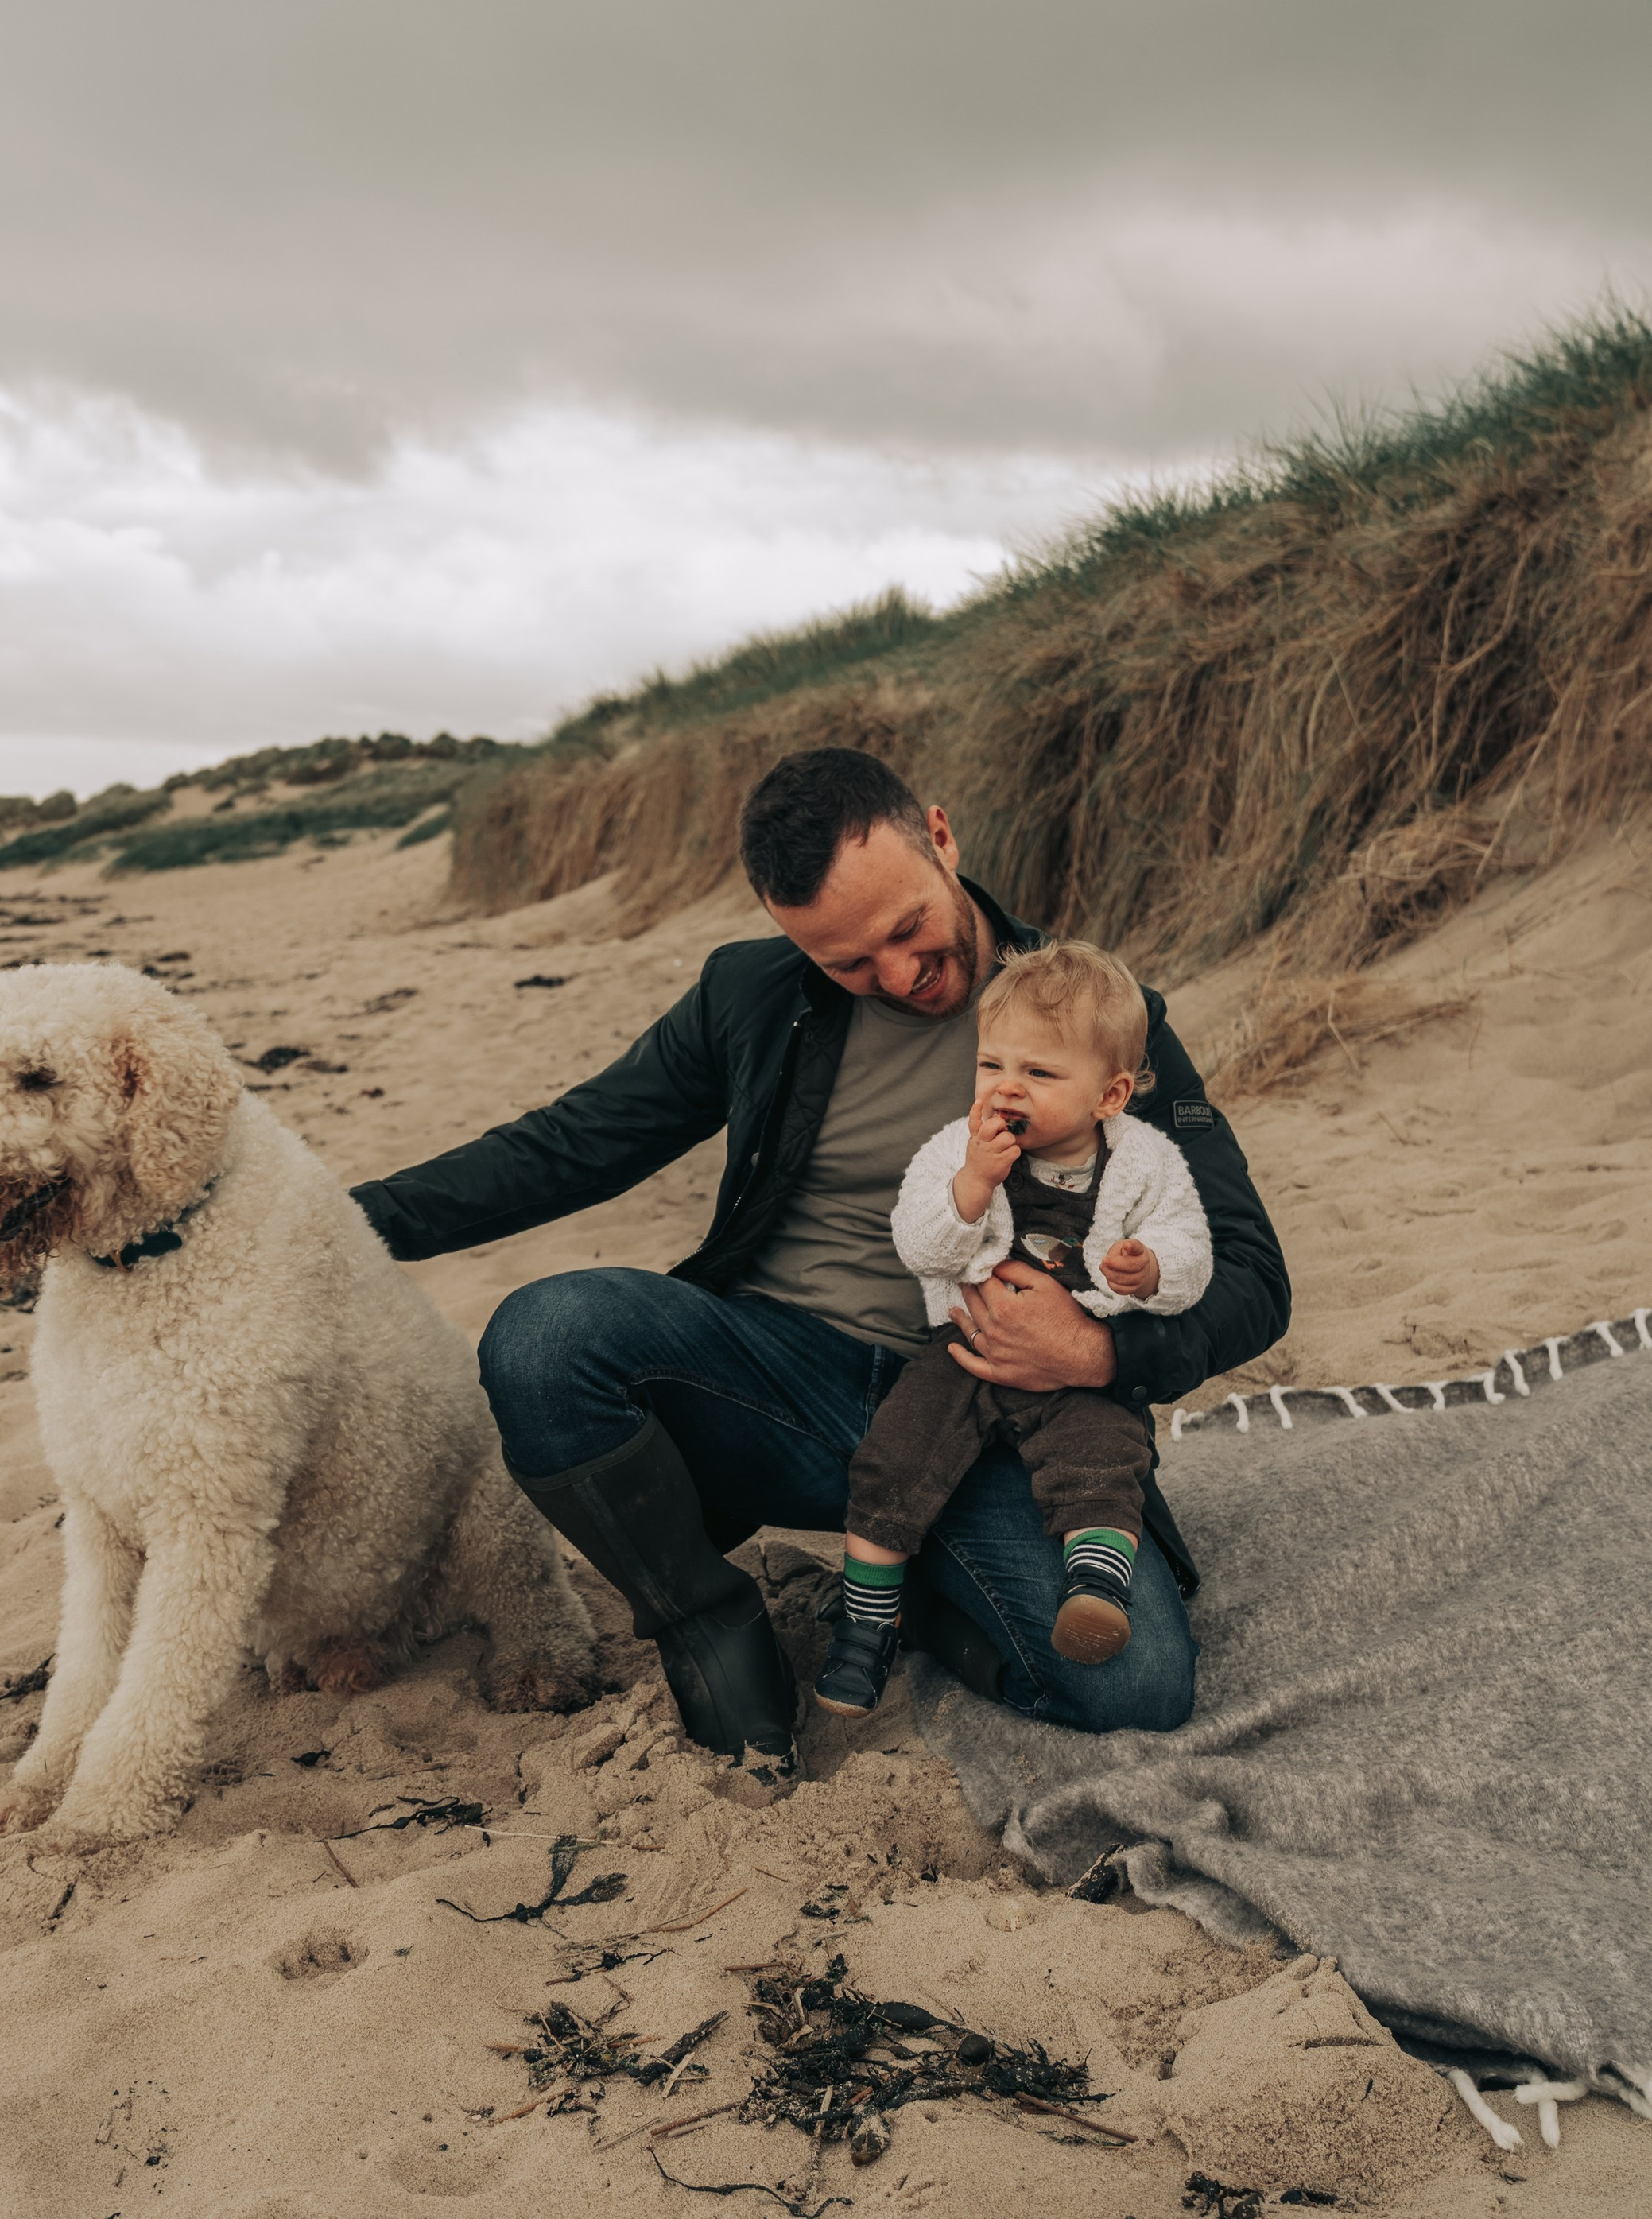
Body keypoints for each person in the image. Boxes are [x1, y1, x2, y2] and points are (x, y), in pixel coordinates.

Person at [351, 747, 1290, 1772]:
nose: (894, 977)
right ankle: (706, 1620)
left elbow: (1250, 1270)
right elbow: (566, 1146)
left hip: (988, 1411)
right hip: (771, 1381)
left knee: (1136, 1687)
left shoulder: (1091, 1018)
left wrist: (1098, 1357)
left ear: (940, 837)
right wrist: (337, 1223)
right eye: (847, 962)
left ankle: (922, 1589)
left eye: (904, 930)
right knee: (543, 1335)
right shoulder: (750, 997)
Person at [816, 939, 1212, 1717]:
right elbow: (919, 1245)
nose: (1005, 1088)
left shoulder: (1144, 1162)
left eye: (1037, 1073)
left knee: (1103, 1455)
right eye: (991, 1065)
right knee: (893, 1459)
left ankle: (1093, 1586)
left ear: (1109, 1094)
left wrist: (1154, 1268)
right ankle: (867, 1627)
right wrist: (970, 1186)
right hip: (967, 1350)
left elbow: (1192, 1241)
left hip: (1074, 1372)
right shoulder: (955, 1151)